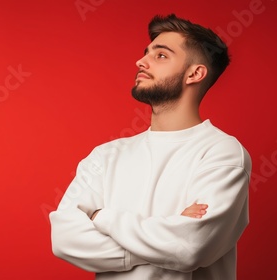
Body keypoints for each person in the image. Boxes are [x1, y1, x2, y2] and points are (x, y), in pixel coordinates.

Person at [49, 13, 251, 280]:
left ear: (195, 73)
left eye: (161, 55)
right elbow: (64, 239)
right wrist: (167, 241)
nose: (141, 61)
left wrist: (101, 217)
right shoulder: (106, 156)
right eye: (146, 53)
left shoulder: (222, 152)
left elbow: (192, 247)